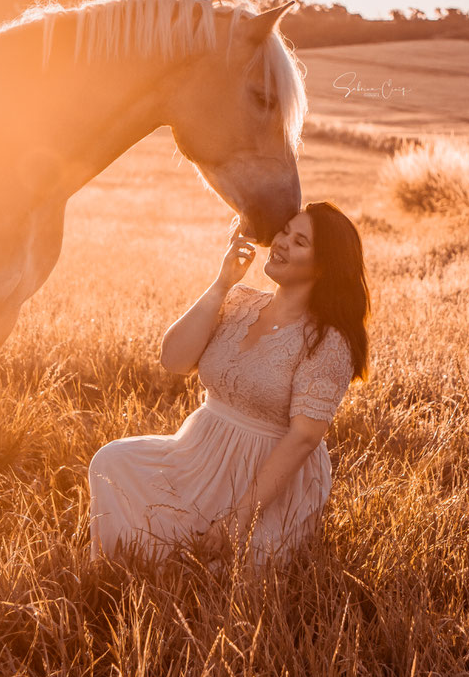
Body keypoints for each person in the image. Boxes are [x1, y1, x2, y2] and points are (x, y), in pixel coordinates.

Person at [88, 201, 370, 567]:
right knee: (112, 462)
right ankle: (121, 576)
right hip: (196, 457)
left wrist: (241, 517)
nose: (282, 242)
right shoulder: (240, 301)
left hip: (266, 478)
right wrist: (222, 283)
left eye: (300, 241)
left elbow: (304, 437)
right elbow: (173, 360)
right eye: (284, 231)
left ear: (322, 268)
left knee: (223, 574)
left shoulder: (327, 341)